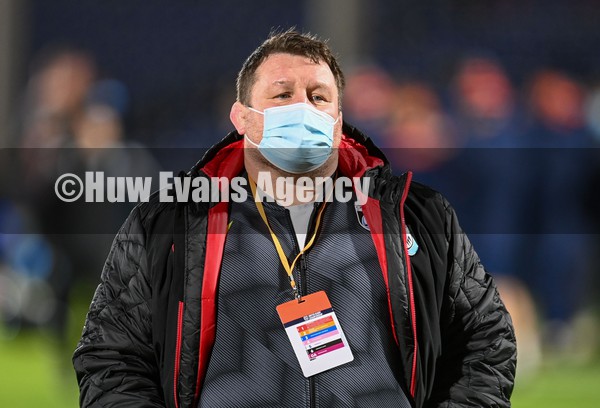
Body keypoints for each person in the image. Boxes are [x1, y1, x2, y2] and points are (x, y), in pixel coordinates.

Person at [73, 29, 516, 408]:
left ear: (339, 122)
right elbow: (111, 355)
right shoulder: (169, 222)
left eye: (318, 96)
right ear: (242, 117)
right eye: (283, 94)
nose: (302, 107)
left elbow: (486, 338)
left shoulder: (415, 214)